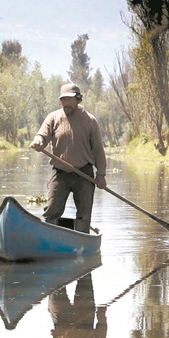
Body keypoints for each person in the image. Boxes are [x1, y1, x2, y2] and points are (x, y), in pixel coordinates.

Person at [29, 83, 108, 232]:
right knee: (52, 210)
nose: (66, 103)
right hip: (59, 173)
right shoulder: (53, 117)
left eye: (69, 99)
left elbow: (98, 150)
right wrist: (38, 140)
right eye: (63, 100)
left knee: (84, 214)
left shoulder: (90, 121)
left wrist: (101, 175)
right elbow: (42, 134)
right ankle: (49, 237)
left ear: (78, 99)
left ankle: (81, 241)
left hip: (84, 174)